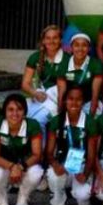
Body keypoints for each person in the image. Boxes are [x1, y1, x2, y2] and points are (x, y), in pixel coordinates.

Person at [20, 24, 66, 192]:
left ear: (60, 40)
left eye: (55, 38)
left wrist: (62, 109)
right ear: (43, 40)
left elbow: (64, 87)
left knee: (37, 123)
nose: (51, 41)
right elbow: (25, 83)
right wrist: (34, 92)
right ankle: (24, 164)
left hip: (55, 101)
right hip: (38, 98)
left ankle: (41, 165)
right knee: (22, 120)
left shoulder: (66, 58)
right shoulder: (35, 57)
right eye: (48, 38)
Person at [45, 86, 99, 205]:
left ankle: (84, 201)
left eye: (78, 99)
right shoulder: (56, 121)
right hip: (63, 165)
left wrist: (85, 174)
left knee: (83, 195)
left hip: (81, 165)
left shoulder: (90, 122)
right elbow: (49, 152)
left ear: (83, 102)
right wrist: (55, 164)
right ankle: (58, 202)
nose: (74, 103)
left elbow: (92, 155)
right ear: (64, 101)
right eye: (70, 99)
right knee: (53, 175)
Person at [0, 94, 44, 205]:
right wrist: (12, 167)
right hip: (4, 165)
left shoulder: (33, 125)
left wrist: (20, 167)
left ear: (24, 111)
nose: (15, 113)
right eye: (11, 109)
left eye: (19, 109)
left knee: (36, 173)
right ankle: (1, 197)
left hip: (25, 165)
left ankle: (23, 196)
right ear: (5, 111)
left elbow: (37, 154)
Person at [56, 33, 103, 117]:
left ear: (89, 48)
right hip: (70, 101)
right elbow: (61, 93)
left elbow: (95, 94)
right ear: (71, 48)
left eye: (84, 45)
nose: (80, 49)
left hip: (88, 101)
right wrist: (61, 114)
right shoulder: (63, 64)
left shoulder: (96, 65)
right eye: (76, 45)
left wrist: (90, 116)